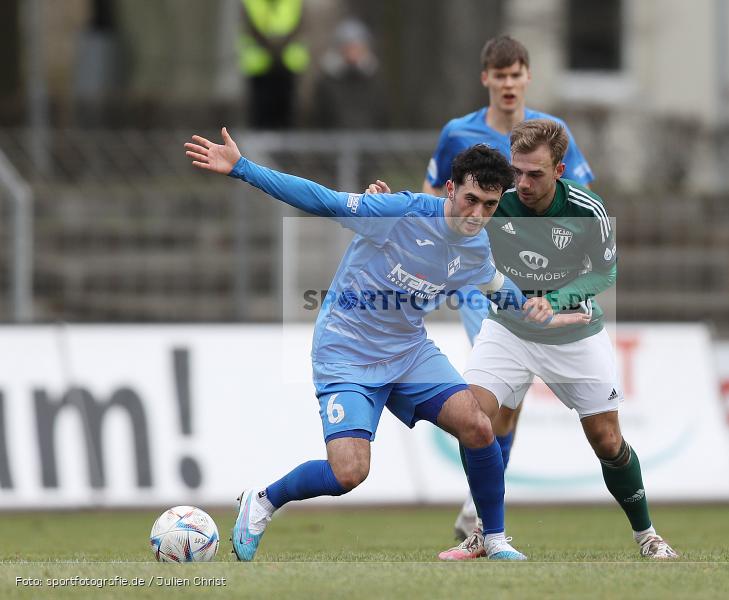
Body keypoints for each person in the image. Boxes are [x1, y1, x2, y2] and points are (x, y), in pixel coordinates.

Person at [183, 128, 589, 562]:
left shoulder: (476, 247)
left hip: (409, 352)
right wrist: (243, 168)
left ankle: (493, 538)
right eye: (470, 199)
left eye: (489, 205)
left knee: (478, 425)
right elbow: (322, 200)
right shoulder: (399, 211)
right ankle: (264, 501)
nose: (477, 214)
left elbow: (497, 288)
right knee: (349, 472)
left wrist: (541, 310)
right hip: (345, 350)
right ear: (450, 188)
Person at [369, 119, 678, 560]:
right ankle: (484, 531)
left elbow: (604, 273)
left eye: (535, 173)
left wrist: (555, 301)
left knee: (607, 441)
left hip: (573, 333)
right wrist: (387, 208)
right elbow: (444, 220)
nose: (523, 183)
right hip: (508, 330)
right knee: (473, 419)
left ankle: (647, 535)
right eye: (517, 171)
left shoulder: (587, 210)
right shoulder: (500, 203)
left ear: (560, 170)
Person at [422, 34, 595, 541]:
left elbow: (580, 197)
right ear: (487, 80)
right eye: (499, 76)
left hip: (531, 279)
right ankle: (484, 511)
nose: (508, 84)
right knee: (500, 379)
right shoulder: (458, 133)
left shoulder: (551, 132)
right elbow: (433, 195)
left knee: (511, 396)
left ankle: (477, 506)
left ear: (527, 77)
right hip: (478, 278)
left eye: (516, 74)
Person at [239, 0, 309, 129]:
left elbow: (300, 25)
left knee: (286, 114)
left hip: (287, 64)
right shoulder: (251, 3)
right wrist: (275, 48)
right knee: (261, 113)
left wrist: (274, 48)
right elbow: (249, 26)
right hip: (260, 66)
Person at [312, 18, 389, 129]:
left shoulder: (375, 81)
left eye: (357, 47)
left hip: (369, 138)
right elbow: (318, 118)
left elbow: (382, 116)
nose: (353, 53)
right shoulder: (326, 83)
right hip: (335, 138)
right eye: (348, 47)